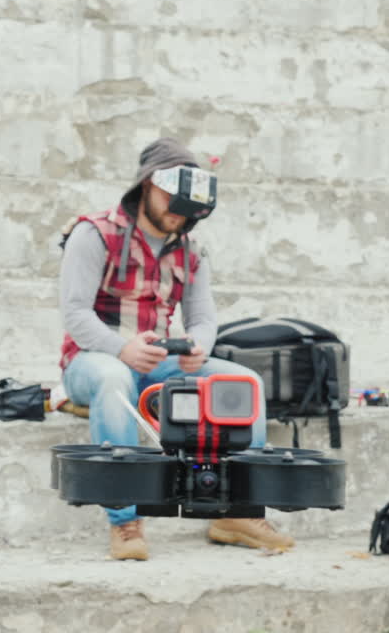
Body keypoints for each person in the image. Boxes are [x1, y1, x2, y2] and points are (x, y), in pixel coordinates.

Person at [57, 137, 295, 561]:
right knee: (113, 380)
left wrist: (198, 347)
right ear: (146, 185)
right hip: (92, 361)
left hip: (159, 364)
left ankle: (236, 512)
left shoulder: (192, 252)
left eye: (187, 202)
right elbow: (75, 314)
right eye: (170, 195)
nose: (177, 210)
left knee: (245, 382)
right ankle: (124, 520)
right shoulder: (93, 234)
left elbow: (203, 319)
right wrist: (121, 349)